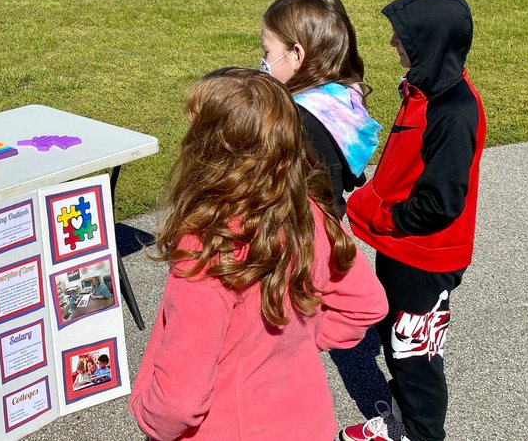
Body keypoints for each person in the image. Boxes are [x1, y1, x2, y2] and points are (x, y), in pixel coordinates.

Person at [129, 68, 387, 441]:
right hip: (307, 422)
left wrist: (147, 414)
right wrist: (294, 345)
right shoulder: (308, 212)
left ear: (209, 149)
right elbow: (366, 303)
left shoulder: (206, 246)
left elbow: (179, 402)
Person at [340, 0, 486, 441]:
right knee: (395, 340)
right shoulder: (424, 87)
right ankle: (402, 416)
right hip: (402, 250)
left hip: (426, 257)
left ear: (429, 42)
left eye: (401, 38)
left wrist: (379, 214)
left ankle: (422, 433)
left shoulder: (454, 111)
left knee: (415, 353)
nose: (392, 45)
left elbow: (440, 204)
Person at [260, 0, 381, 214]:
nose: (263, 61)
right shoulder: (341, 98)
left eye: (267, 51)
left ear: (296, 54)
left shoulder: (299, 119)